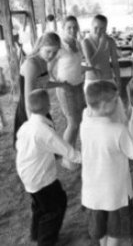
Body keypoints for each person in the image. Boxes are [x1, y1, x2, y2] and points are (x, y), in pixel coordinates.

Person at [80, 80, 133, 246]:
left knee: (101, 229)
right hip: (115, 193)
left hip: (92, 190)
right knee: (115, 231)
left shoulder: (85, 122)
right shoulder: (118, 130)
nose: (119, 101)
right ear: (104, 104)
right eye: (115, 99)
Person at [15, 89, 81, 246]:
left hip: (26, 173)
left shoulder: (26, 126)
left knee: (39, 205)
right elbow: (68, 151)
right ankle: (46, 241)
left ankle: (36, 234)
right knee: (55, 206)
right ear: (48, 106)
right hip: (40, 178)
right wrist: (89, 157)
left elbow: (19, 144)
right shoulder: (44, 130)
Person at [13, 32, 66, 147]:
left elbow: (43, 84)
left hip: (40, 107)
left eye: (55, 52)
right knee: (34, 149)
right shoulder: (31, 64)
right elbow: (28, 98)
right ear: (40, 47)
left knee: (47, 147)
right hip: (30, 111)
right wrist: (33, 126)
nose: (51, 55)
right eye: (48, 51)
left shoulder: (43, 61)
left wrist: (61, 84)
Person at [49, 16, 87, 169]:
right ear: (63, 28)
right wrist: (59, 83)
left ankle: (72, 154)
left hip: (79, 86)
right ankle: (66, 158)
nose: (72, 30)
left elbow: (76, 65)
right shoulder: (60, 46)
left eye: (74, 27)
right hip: (66, 89)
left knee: (79, 121)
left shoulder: (77, 43)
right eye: (69, 27)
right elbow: (48, 68)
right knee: (72, 123)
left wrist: (84, 73)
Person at [81, 14, 122, 92]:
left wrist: (119, 80)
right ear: (91, 26)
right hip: (92, 79)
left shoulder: (110, 41)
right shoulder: (86, 42)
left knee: (112, 103)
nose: (98, 31)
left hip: (108, 77)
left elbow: (115, 63)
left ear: (106, 28)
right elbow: (91, 64)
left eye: (102, 28)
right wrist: (102, 45)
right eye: (95, 28)